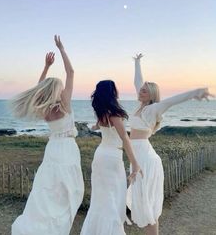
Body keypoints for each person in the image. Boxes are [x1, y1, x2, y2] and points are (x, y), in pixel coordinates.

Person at [127, 53, 213, 235]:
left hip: (145, 158)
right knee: (143, 204)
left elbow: (173, 100)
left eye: (144, 90)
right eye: (141, 89)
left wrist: (196, 92)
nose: (140, 91)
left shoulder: (153, 109)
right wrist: (137, 62)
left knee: (148, 206)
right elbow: (138, 82)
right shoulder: (139, 107)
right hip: (137, 155)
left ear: (151, 95)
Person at [11, 35, 84, 235]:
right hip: (68, 148)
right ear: (57, 90)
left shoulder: (45, 108)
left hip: (53, 148)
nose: (63, 88)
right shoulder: (64, 104)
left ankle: (40, 225)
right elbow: (71, 72)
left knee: (47, 190)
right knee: (68, 191)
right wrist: (62, 49)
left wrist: (46, 67)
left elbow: (38, 89)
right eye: (60, 87)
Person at [81, 80, 143, 235]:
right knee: (114, 198)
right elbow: (125, 138)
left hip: (101, 155)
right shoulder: (114, 114)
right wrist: (135, 163)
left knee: (101, 198)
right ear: (112, 92)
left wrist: (94, 126)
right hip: (112, 158)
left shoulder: (101, 112)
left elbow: (98, 127)